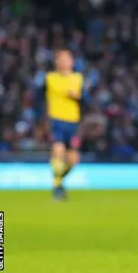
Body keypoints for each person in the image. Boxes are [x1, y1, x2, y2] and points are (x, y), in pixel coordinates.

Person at [45, 49, 84, 201]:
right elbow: (65, 92)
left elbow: (79, 95)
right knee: (58, 150)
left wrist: (76, 95)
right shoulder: (50, 78)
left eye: (67, 58)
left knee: (73, 160)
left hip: (73, 122)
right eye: (61, 59)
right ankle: (57, 187)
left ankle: (59, 182)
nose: (64, 61)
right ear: (56, 62)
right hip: (57, 120)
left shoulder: (78, 78)